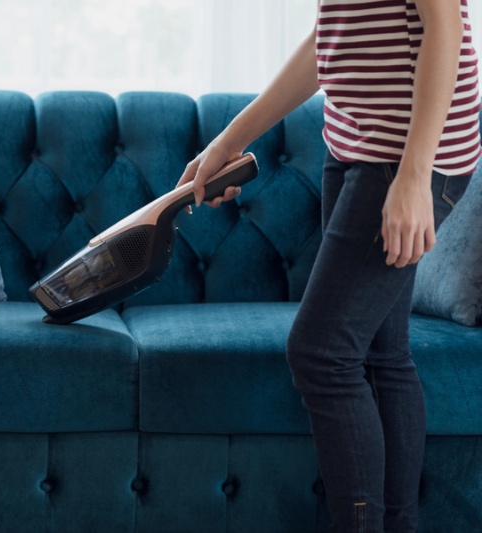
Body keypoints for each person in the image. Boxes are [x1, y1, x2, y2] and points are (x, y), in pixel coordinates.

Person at [176, 1, 480, 531]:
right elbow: (331, 34)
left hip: (402, 154)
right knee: (381, 355)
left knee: (321, 354)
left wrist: (415, 175)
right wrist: (229, 140)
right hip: (354, 144)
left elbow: (444, 25)